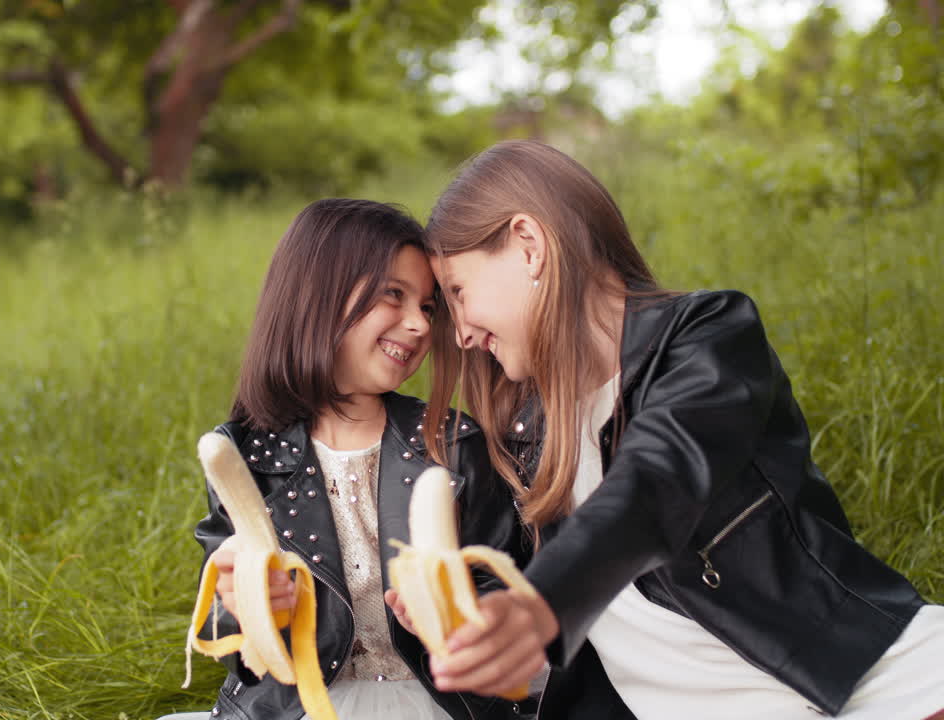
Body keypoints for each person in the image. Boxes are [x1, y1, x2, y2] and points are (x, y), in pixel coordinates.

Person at [419, 139, 944, 719]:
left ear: (528, 245)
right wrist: (461, 611)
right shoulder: (529, 434)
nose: (462, 334)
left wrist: (542, 604)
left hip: (867, 691)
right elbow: (515, 575)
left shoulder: (707, 339)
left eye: (458, 293)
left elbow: (656, 484)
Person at [164, 198, 533, 720]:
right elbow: (230, 640)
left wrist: (457, 616)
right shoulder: (248, 455)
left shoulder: (453, 445)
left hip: (436, 703)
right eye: (393, 295)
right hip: (300, 705)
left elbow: (506, 583)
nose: (419, 325)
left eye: (428, 308)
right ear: (316, 296)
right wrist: (247, 608)